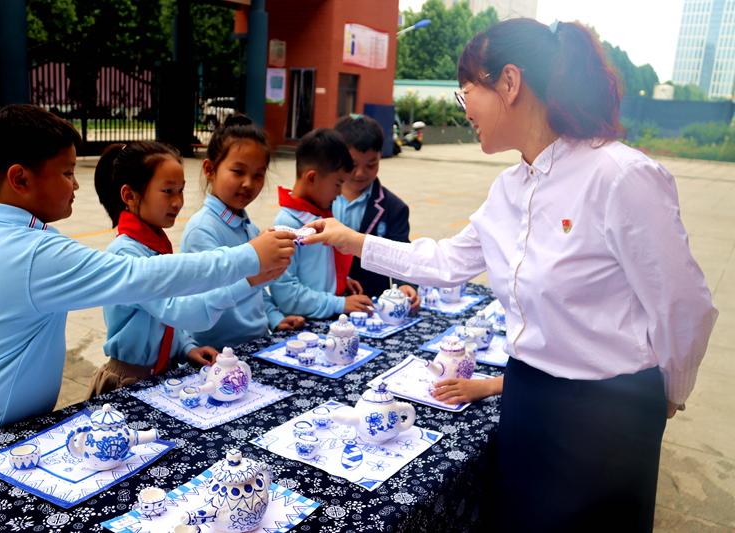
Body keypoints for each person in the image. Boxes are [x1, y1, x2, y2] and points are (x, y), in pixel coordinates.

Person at [304, 19, 717, 532]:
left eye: (466, 93)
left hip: (608, 417)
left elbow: (683, 303)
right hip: (528, 399)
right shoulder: (509, 188)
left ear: (510, 83)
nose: (465, 109)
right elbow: (445, 263)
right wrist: (353, 241)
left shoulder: (619, 176)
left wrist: (670, 391)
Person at [0, 104, 295, 451]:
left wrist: (185, 344)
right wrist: (248, 258)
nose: (76, 185)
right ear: (20, 178)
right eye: (66, 173)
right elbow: (144, 276)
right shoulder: (30, 252)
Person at [89, 141, 276, 397]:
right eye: (167, 191)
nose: (177, 202)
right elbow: (176, 311)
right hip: (131, 380)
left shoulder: (156, 246)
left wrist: (186, 347)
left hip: (161, 374)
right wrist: (248, 280)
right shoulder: (127, 255)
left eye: (181, 191)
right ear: (130, 196)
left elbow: (165, 321)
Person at [181, 115, 305, 350]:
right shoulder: (202, 230)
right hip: (219, 353)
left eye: (258, 174)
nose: (249, 183)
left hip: (256, 344)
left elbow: (258, 292)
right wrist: (253, 278)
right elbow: (207, 301)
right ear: (210, 169)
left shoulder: (249, 226)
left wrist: (275, 318)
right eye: (238, 171)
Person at [271, 129, 373, 319]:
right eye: (337, 184)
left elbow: (315, 271)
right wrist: (339, 303)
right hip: (303, 326)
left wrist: (341, 281)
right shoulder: (287, 225)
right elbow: (285, 294)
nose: (340, 193)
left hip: (327, 314)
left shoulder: (318, 215)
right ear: (312, 177)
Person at [332, 114, 419, 308]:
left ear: (381, 156)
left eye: (371, 164)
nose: (361, 173)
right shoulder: (319, 198)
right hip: (323, 299)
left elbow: (402, 254)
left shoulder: (393, 208)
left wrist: (406, 285)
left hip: (370, 304)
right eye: (352, 165)